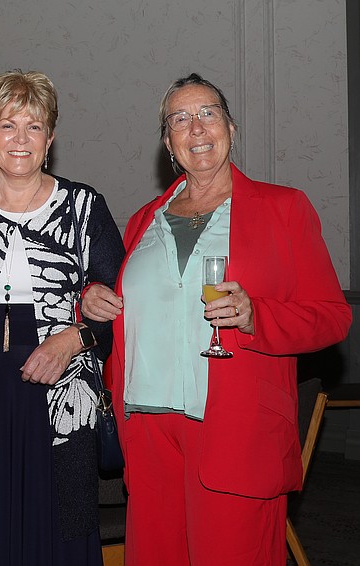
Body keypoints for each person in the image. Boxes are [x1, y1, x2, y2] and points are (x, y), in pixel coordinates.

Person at [83, 73, 352, 565]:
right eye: (180, 119)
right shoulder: (146, 217)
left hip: (235, 428)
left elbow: (332, 318)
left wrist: (256, 317)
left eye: (208, 113)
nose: (197, 128)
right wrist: (94, 300)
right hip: (147, 429)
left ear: (230, 127)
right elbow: (133, 307)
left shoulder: (282, 208)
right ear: (168, 141)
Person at [0, 70, 125, 566]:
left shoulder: (85, 207)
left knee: (59, 523)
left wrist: (74, 338)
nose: (20, 139)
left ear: (51, 137)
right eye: (7, 125)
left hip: (61, 391)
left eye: (33, 127)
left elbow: (121, 304)